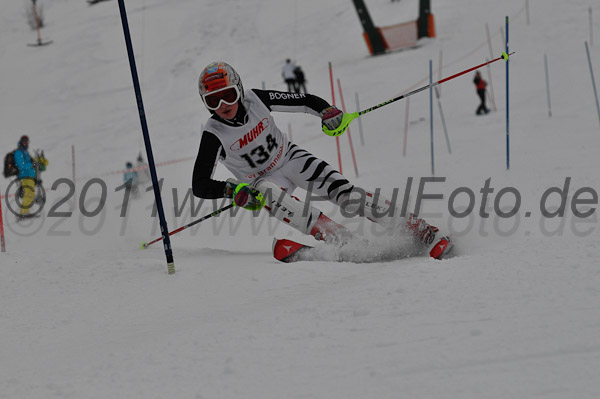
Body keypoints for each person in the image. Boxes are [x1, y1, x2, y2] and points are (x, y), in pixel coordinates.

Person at [192, 61, 452, 259]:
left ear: (238, 89)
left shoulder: (256, 99)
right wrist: (232, 190)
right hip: (261, 181)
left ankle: (420, 230)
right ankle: (344, 241)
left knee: (347, 195)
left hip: (290, 158)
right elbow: (200, 184)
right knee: (268, 193)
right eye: (213, 100)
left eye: (228, 95)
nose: (223, 104)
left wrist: (327, 112)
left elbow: (304, 101)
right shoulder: (213, 133)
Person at [13, 135, 37, 218]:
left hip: (29, 176)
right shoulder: (19, 152)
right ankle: (23, 213)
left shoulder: (25, 151)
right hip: (25, 176)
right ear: (22, 142)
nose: (26, 143)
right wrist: (31, 164)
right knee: (28, 194)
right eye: (25, 142)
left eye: (27, 142)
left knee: (31, 194)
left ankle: (25, 212)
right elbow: (21, 165)